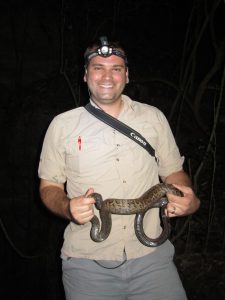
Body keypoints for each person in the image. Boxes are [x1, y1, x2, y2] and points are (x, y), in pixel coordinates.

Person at [38, 36, 200, 300]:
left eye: (116, 68)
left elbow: (173, 173)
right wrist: (67, 207)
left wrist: (187, 199)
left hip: (152, 260)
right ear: (85, 75)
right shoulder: (62, 126)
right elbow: (49, 187)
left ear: (127, 75)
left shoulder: (153, 117)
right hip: (87, 265)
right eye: (98, 67)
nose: (107, 76)